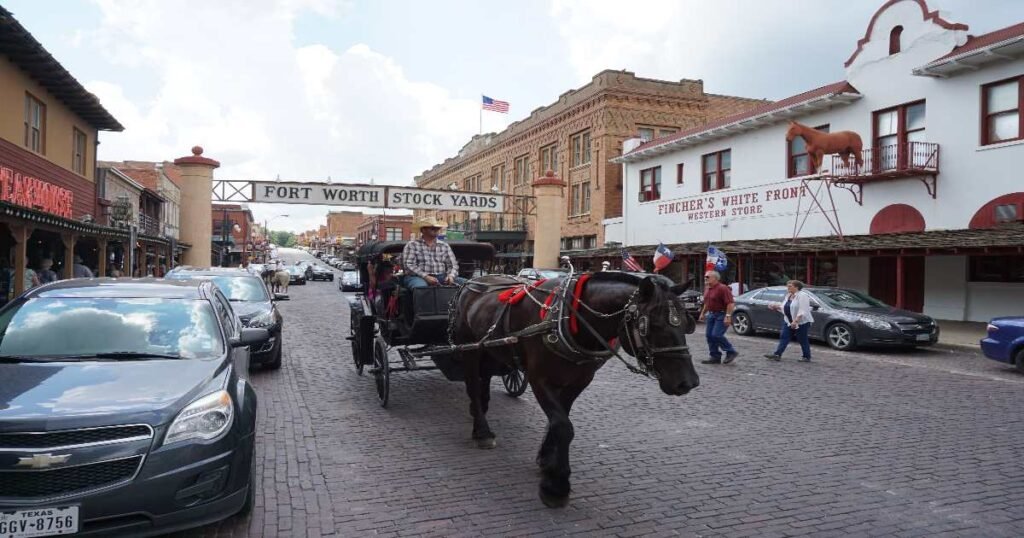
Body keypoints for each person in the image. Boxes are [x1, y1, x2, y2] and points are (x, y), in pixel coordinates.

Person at [402, 216, 465, 288]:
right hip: (418, 277)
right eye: (432, 228)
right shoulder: (412, 245)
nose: (436, 229)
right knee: (421, 288)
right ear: (423, 230)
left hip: (442, 277)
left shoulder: (444, 246)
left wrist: (450, 276)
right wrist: (426, 277)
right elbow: (409, 265)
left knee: (469, 285)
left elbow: (453, 265)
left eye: (438, 228)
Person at [764, 280, 814, 362]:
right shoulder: (788, 295)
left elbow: (803, 309)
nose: (788, 288)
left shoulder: (802, 296)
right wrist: (776, 307)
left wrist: (796, 321)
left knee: (802, 339)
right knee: (784, 337)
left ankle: (806, 356)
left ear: (796, 287)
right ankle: (777, 354)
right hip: (788, 321)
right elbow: (785, 307)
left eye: (790, 286)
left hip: (801, 322)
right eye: (787, 286)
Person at [698, 270, 739, 364]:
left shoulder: (723, 288)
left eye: (707, 277)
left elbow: (730, 303)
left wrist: (728, 316)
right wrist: (703, 313)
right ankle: (715, 356)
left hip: (722, 314)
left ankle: (731, 351)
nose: (705, 278)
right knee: (709, 335)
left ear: (715, 278)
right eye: (705, 277)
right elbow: (707, 303)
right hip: (711, 314)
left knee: (716, 335)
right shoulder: (707, 288)